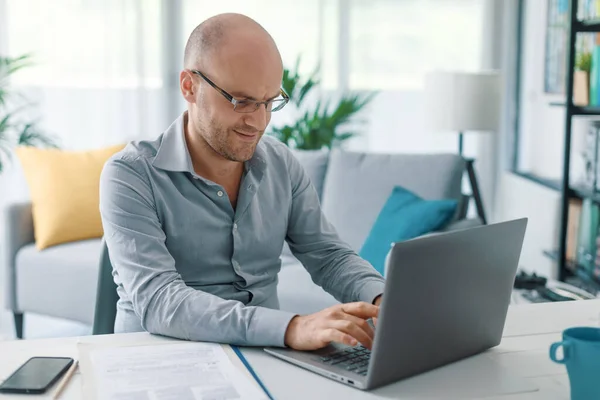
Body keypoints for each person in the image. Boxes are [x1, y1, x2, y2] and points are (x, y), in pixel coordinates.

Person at [99, 13, 385, 351]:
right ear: (190, 86)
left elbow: (328, 256)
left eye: (269, 102)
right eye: (241, 101)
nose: (259, 121)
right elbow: (161, 301)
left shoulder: (281, 164)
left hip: (264, 357)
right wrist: (291, 328)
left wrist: (383, 300)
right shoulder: (130, 175)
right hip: (161, 362)